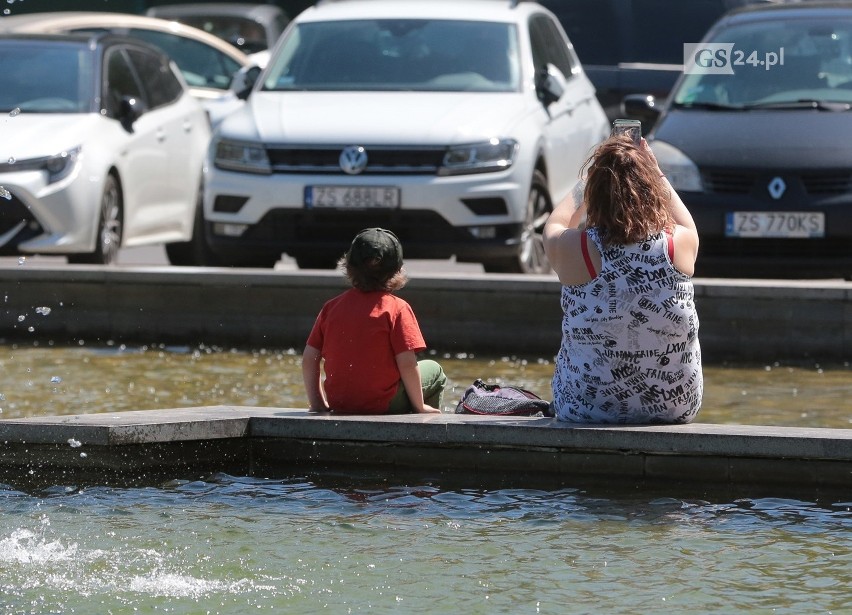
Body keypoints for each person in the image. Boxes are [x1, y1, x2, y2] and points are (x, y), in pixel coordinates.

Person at [543, 135, 702, 424]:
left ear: (595, 192)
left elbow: (554, 224)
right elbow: (686, 222)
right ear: (650, 190)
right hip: (674, 409)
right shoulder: (677, 244)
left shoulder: (575, 249)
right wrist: (657, 173)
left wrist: (587, 182)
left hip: (584, 408)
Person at [302, 228, 446, 414]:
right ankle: (425, 431)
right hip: (383, 404)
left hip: (340, 402)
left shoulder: (331, 307)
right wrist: (420, 406)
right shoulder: (397, 308)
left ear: (349, 266)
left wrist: (317, 404)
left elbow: (308, 359)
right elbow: (408, 364)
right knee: (435, 371)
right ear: (397, 270)